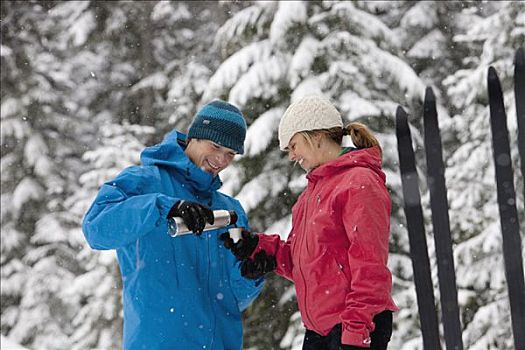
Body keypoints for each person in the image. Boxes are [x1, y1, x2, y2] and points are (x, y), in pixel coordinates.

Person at [82, 100, 264, 350]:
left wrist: (250, 275)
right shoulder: (143, 183)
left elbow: (232, 300)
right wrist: (163, 207)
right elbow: (96, 229)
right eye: (216, 146)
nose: (222, 159)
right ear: (194, 138)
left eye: (231, 153)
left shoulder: (229, 211)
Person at [221, 96, 399, 349]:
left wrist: (356, 332)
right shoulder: (311, 195)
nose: (292, 156)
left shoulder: (358, 182)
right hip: (321, 330)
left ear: (315, 136)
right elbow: (304, 263)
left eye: (293, 145)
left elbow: (370, 266)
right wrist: (259, 247)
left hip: (353, 327)